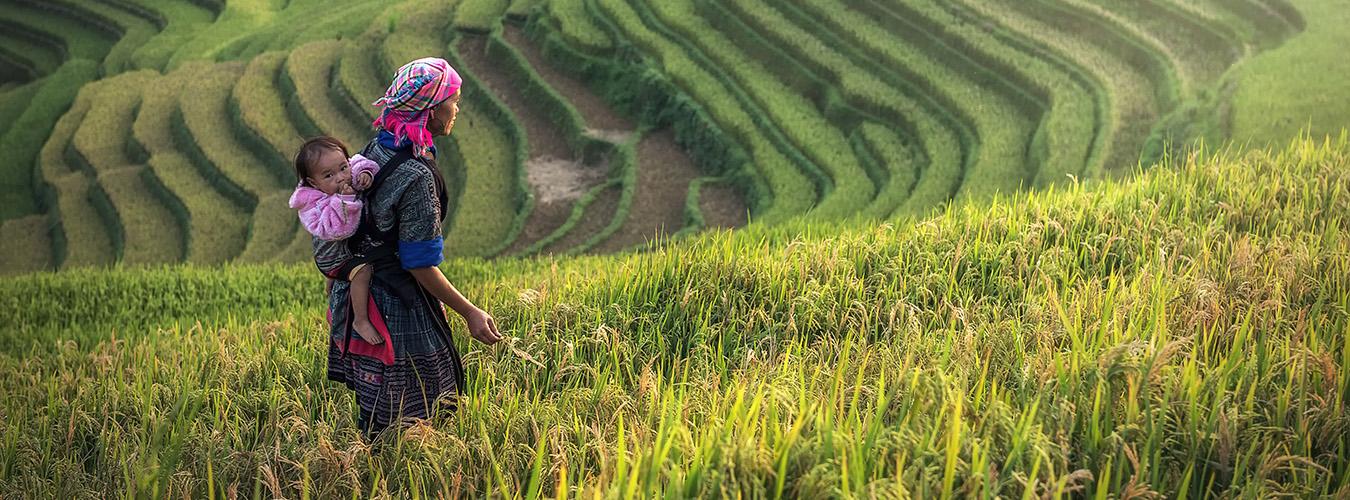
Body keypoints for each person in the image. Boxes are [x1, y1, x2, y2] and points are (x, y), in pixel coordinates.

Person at [318, 57, 503, 439]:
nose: (458, 108)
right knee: (424, 406)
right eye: (453, 100)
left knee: (377, 409)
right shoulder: (417, 175)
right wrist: (470, 312)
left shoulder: (379, 146)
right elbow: (419, 263)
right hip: (394, 304)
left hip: (359, 294)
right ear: (433, 111)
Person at [289, 136, 385, 346]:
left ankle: (335, 279)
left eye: (343, 168)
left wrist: (365, 173)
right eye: (329, 175)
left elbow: (358, 162)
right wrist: (346, 201)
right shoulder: (311, 204)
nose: (341, 178)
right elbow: (339, 231)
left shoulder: (347, 171)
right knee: (363, 271)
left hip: (343, 246)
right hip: (332, 254)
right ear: (314, 183)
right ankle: (360, 320)